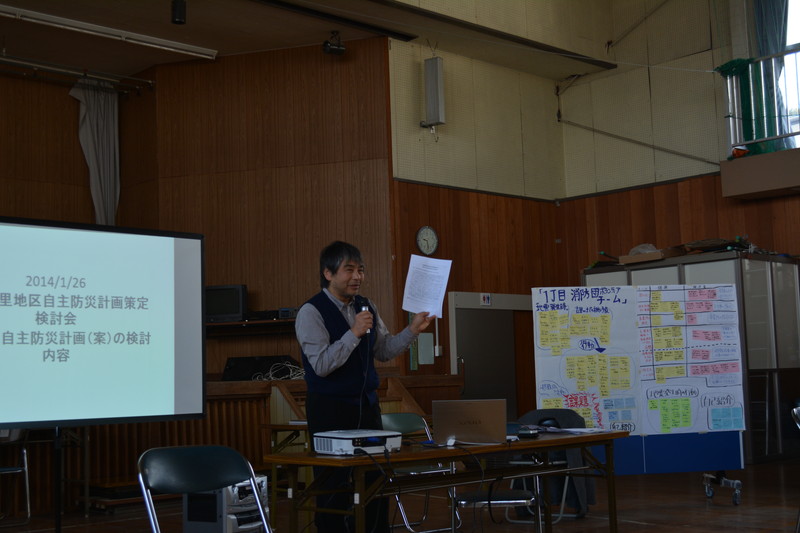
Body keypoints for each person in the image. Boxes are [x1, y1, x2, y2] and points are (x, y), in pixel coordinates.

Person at [295, 240, 434, 533]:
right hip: (330, 409)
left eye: (360, 270)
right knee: (333, 484)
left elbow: (383, 350)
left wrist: (412, 330)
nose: (357, 276)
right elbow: (321, 364)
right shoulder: (311, 311)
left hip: (367, 406)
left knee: (375, 480)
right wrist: (354, 332)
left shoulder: (366, 306)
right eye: (349, 270)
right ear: (328, 273)